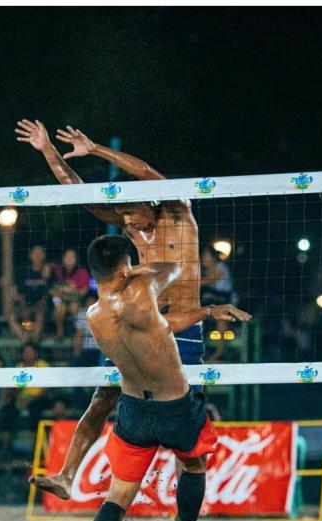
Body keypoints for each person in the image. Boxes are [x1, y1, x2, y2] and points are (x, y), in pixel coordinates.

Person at [16, 119, 249, 501]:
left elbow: (142, 171)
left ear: (150, 201)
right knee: (102, 397)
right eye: (122, 218)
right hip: (143, 327)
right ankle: (66, 476)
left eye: (130, 214)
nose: (126, 222)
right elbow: (79, 193)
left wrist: (95, 150)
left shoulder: (179, 212)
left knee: (189, 419)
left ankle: (184, 518)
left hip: (184, 329)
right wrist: (47, 149)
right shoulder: (132, 227)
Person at [82, 235, 218, 521]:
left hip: (134, 411)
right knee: (194, 464)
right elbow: (174, 268)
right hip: (174, 406)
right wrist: (139, 271)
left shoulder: (93, 315)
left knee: (119, 494)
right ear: (123, 266)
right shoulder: (141, 294)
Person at [200, 247, 238, 362]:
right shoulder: (205, 271)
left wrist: (188, 281)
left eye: (205, 256)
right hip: (213, 303)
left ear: (212, 257)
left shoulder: (221, 267)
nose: (202, 258)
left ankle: (220, 352)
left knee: (221, 318)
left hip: (228, 302)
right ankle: (202, 350)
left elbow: (209, 281)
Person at [9, 245, 51, 342]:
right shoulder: (24, 272)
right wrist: (24, 307)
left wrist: (46, 277)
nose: (37, 256)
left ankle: (34, 341)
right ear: (30, 255)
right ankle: (24, 340)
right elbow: (18, 293)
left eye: (40, 253)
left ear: (44, 256)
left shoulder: (48, 271)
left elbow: (49, 292)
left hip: (41, 306)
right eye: (35, 253)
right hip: (25, 304)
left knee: (39, 316)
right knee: (11, 317)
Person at [51, 248, 91, 339]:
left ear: (76, 259)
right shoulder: (58, 270)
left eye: (72, 257)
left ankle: (76, 333)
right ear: (63, 258)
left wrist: (73, 290)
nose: (69, 259)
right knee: (58, 306)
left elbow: (84, 292)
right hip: (58, 299)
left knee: (74, 307)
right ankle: (59, 332)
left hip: (76, 300)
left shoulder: (82, 272)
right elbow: (53, 288)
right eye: (67, 256)